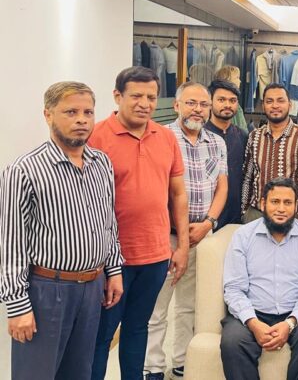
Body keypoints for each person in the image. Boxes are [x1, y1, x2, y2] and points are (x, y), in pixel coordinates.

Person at [0, 81, 123, 380]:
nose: (81, 120)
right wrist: (17, 306)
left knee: (79, 372)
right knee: (36, 374)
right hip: (47, 291)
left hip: (92, 288)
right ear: (48, 115)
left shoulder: (101, 163)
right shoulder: (24, 170)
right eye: (71, 112)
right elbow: (11, 244)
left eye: (88, 112)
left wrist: (114, 270)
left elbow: (108, 221)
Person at [89, 66, 189, 380]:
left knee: (137, 329)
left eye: (151, 97)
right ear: (117, 96)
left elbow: (178, 194)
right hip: (111, 260)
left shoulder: (166, 137)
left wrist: (182, 246)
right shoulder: (96, 136)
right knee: (102, 335)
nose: (144, 104)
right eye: (136, 96)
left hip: (155, 256)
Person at [144, 82, 228, 379]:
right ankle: (153, 367)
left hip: (201, 237)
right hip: (165, 237)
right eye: (191, 103)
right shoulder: (159, 137)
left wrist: (208, 223)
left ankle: (182, 362)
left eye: (203, 105)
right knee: (157, 306)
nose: (198, 110)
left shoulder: (216, 142)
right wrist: (179, 234)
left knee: (190, 305)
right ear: (177, 105)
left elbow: (222, 187)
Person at [221, 178, 298, 380]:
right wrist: (253, 323)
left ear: (296, 206)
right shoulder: (243, 236)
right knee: (232, 341)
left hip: (296, 313)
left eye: (288, 202)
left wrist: (290, 323)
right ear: (262, 203)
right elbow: (233, 288)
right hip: (253, 311)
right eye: (275, 202)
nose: (281, 209)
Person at [241, 82, 298, 225]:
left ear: (289, 104)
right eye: (269, 101)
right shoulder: (255, 136)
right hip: (256, 214)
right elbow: (248, 176)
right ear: (263, 106)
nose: (275, 105)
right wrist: (244, 211)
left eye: (280, 100)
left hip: (290, 216)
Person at [205, 79, 249, 228]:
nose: (227, 105)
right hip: (207, 218)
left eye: (232, 100)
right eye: (221, 100)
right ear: (210, 102)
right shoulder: (200, 136)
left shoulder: (242, 136)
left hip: (236, 217)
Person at [214, 64, 250, 133]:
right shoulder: (232, 105)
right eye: (237, 77)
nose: (240, 81)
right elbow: (242, 130)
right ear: (228, 80)